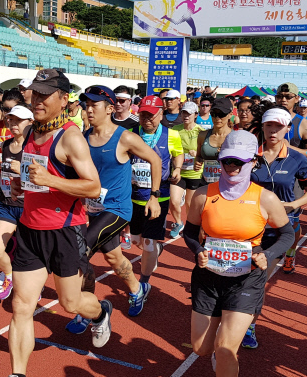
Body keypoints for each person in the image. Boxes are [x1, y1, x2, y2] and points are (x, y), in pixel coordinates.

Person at [7, 69, 110, 376]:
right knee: (21, 307)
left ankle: (101, 312)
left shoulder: (70, 138)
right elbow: (34, 180)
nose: (37, 99)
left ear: (64, 100)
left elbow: (93, 187)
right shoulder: (29, 132)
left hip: (65, 231)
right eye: (34, 93)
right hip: (29, 230)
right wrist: (21, 187)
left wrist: (50, 179)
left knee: (70, 302)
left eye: (45, 94)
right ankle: (18, 373)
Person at [184, 130, 293, 375]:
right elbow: (189, 232)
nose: (232, 167)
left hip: (246, 279)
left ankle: (227, 349)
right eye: (227, 161)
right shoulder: (203, 195)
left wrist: (269, 253)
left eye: (239, 161)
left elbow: (287, 234)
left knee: (224, 348)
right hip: (208, 277)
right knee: (201, 348)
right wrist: (198, 250)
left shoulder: (266, 198)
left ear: (253, 161)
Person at [65, 86, 163, 334]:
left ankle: (89, 310)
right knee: (114, 258)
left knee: (81, 251)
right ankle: (136, 289)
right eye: (86, 105)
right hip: (93, 209)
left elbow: (155, 160)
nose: (88, 109)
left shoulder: (125, 137)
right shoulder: (83, 137)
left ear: (109, 109)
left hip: (118, 209)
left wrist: (154, 196)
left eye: (94, 105)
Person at [241, 106, 307, 349]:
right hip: (247, 226)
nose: (273, 131)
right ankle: (236, 315)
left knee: (257, 276)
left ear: (287, 128)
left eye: (278, 126)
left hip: (279, 230)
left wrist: (293, 204)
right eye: (268, 126)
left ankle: (249, 325)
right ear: (262, 127)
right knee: (240, 275)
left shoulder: (297, 159)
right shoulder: (249, 154)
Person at [130, 95, 184, 286]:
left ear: (161, 114)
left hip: (158, 197)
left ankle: (144, 283)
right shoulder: (130, 133)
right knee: (135, 240)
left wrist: (177, 168)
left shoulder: (172, 135)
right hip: (134, 197)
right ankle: (156, 251)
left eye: (151, 115)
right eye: (143, 114)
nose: (147, 119)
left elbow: (178, 153)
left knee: (148, 243)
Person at [0, 105, 32, 300]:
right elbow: (4, 170)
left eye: (19, 121)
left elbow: (43, 179)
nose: (13, 124)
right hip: (7, 205)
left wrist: (21, 169)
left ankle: (33, 286)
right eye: (11, 120)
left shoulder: (33, 148)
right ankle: (9, 276)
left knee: (28, 255)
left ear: (31, 123)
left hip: (28, 208)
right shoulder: (5, 146)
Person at [171, 101, 205, 238]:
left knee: (190, 205)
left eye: (189, 113)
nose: (186, 116)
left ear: (195, 115)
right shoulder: (175, 130)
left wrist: (197, 153)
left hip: (195, 173)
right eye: (184, 112)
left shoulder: (201, 132)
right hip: (178, 171)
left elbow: (206, 152)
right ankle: (178, 223)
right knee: (173, 201)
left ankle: (191, 226)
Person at [195, 97, 234, 186]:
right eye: (214, 114)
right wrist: (197, 162)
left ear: (230, 114)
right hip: (205, 184)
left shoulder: (234, 137)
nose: (217, 118)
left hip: (228, 185)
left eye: (221, 114)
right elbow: (199, 156)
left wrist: (226, 156)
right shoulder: (202, 135)